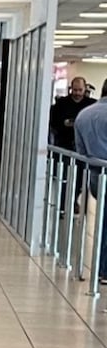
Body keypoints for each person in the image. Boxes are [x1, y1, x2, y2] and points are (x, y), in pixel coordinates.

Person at [74, 93, 107, 286]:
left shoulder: (84, 114)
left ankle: (102, 268)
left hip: (95, 173)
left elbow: (81, 151)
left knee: (103, 221)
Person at [51, 77, 95, 215]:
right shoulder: (61, 104)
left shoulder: (91, 105)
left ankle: (74, 201)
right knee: (64, 178)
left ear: (85, 89)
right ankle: (64, 205)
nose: (77, 93)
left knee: (80, 180)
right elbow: (54, 123)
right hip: (64, 146)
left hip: (83, 149)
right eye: (75, 90)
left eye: (80, 90)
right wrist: (65, 125)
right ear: (71, 89)